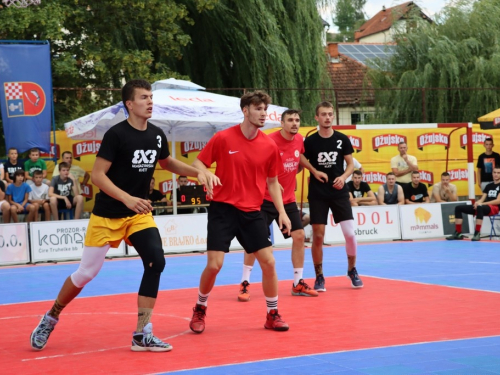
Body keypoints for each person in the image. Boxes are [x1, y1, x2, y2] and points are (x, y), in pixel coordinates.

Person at [30, 79, 213, 353]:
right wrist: (127, 197)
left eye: (151, 97)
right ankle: (51, 316)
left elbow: (167, 162)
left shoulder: (157, 134)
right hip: (108, 214)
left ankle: (142, 332)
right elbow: (98, 176)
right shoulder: (116, 135)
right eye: (143, 97)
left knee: (156, 260)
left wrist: (197, 171)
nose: (150, 101)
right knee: (85, 274)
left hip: (137, 215)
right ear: (129, 104)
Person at [189, 90, 291, 334]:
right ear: (245, 111)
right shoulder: (223, 138)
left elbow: (273, 182)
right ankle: (200, 307)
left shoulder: (269, 145)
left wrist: (282, 212)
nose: (263, 113)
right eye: (258, 109)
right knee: (214, 265)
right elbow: (197, 163)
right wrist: (205, 173)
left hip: (252, 211)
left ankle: (272, 313)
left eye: (265, 109)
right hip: (222, 210)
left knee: (269, 262)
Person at [237, 109, 318, 303]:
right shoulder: (268, 140)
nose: (294, 123)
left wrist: (312, 171)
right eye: (290, 120)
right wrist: (269, 181)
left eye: (297, 120)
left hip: (287, 199)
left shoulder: (299, 140)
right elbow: (255, 165)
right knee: (254, 242)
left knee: (299, 236)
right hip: (263, 199)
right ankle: (245, 283)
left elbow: (298, 158)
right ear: (282, 123)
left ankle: (298, 282)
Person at [300, 101, 363, 292]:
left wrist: (343, 178)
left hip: (339, 192)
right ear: (316, 117)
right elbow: (300, 158)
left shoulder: (342, 139)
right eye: (323, 114)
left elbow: (352, 165)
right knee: (318, 236)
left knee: (350, 234)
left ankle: (352, 270)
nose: (327, 117)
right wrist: (313, 170)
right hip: (318, 193)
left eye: (330, 114)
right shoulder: (310, 141)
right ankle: (319, 276)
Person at [447, 166, 500, 241]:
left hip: (494, 208)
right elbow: (482, 199)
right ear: (492, 173)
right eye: (494, 172)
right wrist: (477, 203)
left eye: (498, 173)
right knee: (458, 208)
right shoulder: (489, 186)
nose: (496, 174)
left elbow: (498, 201)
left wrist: (482, 204)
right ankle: (458, 233)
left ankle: (477, 233)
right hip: (483, 207)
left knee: (480, 207)